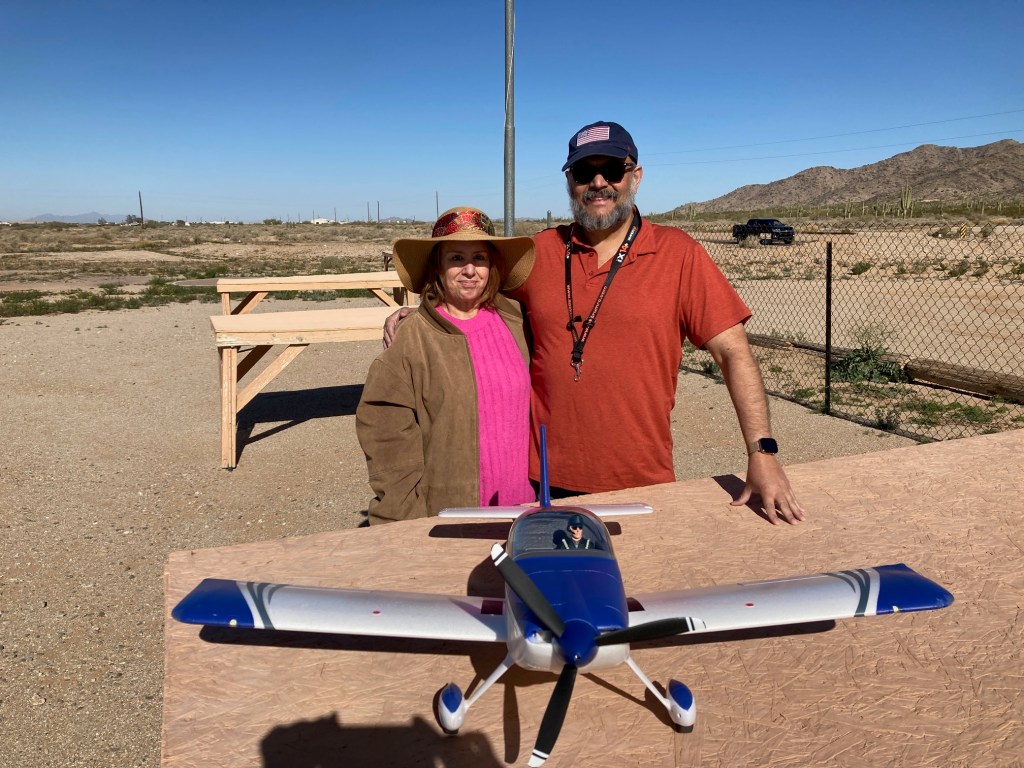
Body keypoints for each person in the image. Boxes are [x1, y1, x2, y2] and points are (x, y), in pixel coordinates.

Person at [385, 122, 805, 525]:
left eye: (612, 170)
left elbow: (733, 353)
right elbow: (476, 294)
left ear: (635, 176)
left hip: (641, 480)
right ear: (570, 181)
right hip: (541, 481)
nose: (599, 182)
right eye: (585, 172)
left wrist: (762, 453)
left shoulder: (678, 254)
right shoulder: (538, 253)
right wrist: (425, 314)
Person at [356, 206, 536, 524]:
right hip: (451, 515)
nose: (470, 270)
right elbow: (386, 437)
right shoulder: (412, 337)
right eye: (456, 258)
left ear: (492, 265)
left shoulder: (518, 321)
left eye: (479, 258)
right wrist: (403, 520)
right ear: (437, 267)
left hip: (526, 508)